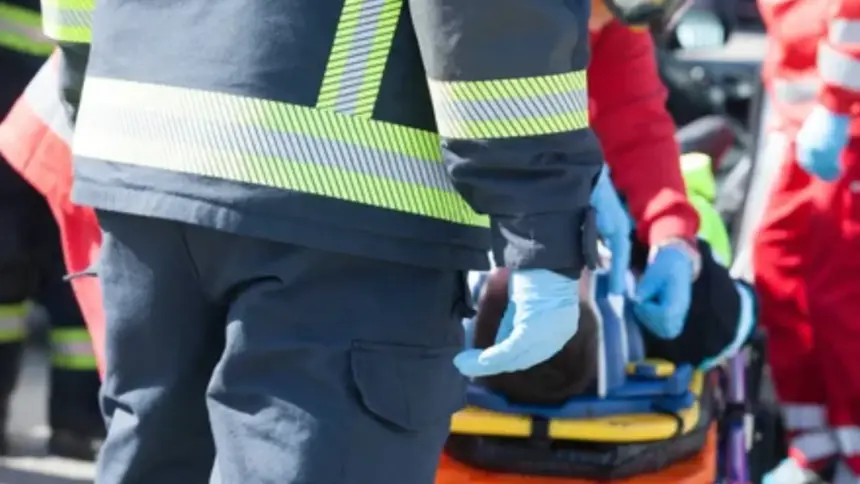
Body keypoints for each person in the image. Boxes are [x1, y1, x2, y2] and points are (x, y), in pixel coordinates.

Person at [67, 0, 610, 482]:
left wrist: (90, 98)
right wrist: (542, 222)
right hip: (340, 201)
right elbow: (492, 20)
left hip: (140, 152)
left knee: (156, 459)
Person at [753, 1, 860, 482]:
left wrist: (837, 104)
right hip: (806, 126)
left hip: (846, 122)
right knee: (779, 267)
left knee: (843, 298)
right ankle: (814, 444)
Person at [0, 0, 102, 459]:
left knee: (54, 283)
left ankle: (78, 426)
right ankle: (78, 427)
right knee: (72, 280)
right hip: (63, 128)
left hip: (35, 127)